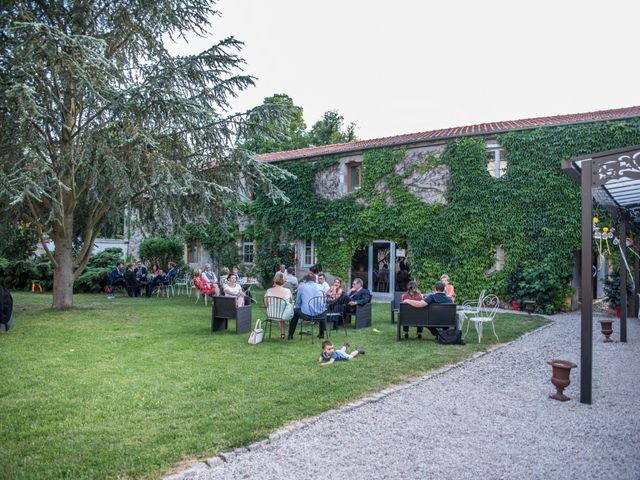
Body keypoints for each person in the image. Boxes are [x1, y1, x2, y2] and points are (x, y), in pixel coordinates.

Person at [287, 273, 326, 339]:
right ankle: (321, 334)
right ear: (315, 279)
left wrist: (303, 308)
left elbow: (298, 302)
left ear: (306, 280)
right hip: (320, 315)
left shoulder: (301, 287)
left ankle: (290, 335)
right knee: (323, 310)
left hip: (306, 315)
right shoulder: (321, 287)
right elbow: (324, 301)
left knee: (295, 311)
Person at [264, 272, 294, 340]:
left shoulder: (268, 291)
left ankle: (282, 334)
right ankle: (284, 334)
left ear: (274, 280)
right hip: (284, 315)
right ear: (284, 281)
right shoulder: (287, 291)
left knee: (281, 312)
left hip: (271, 314)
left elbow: (266, 303)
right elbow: (291, 301)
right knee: (290, 306)